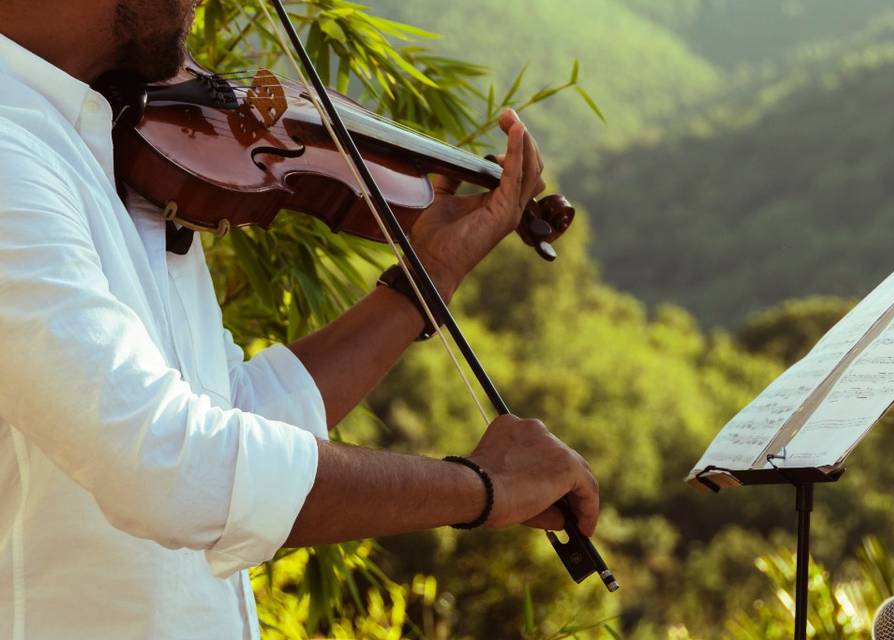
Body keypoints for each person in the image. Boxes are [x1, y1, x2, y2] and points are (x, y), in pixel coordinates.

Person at [0, 1, 601, 638]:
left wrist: (429, 276)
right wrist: (483, 487)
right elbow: (169, 462)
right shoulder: (13, 162)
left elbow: (231, 417)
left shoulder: (117, 137)